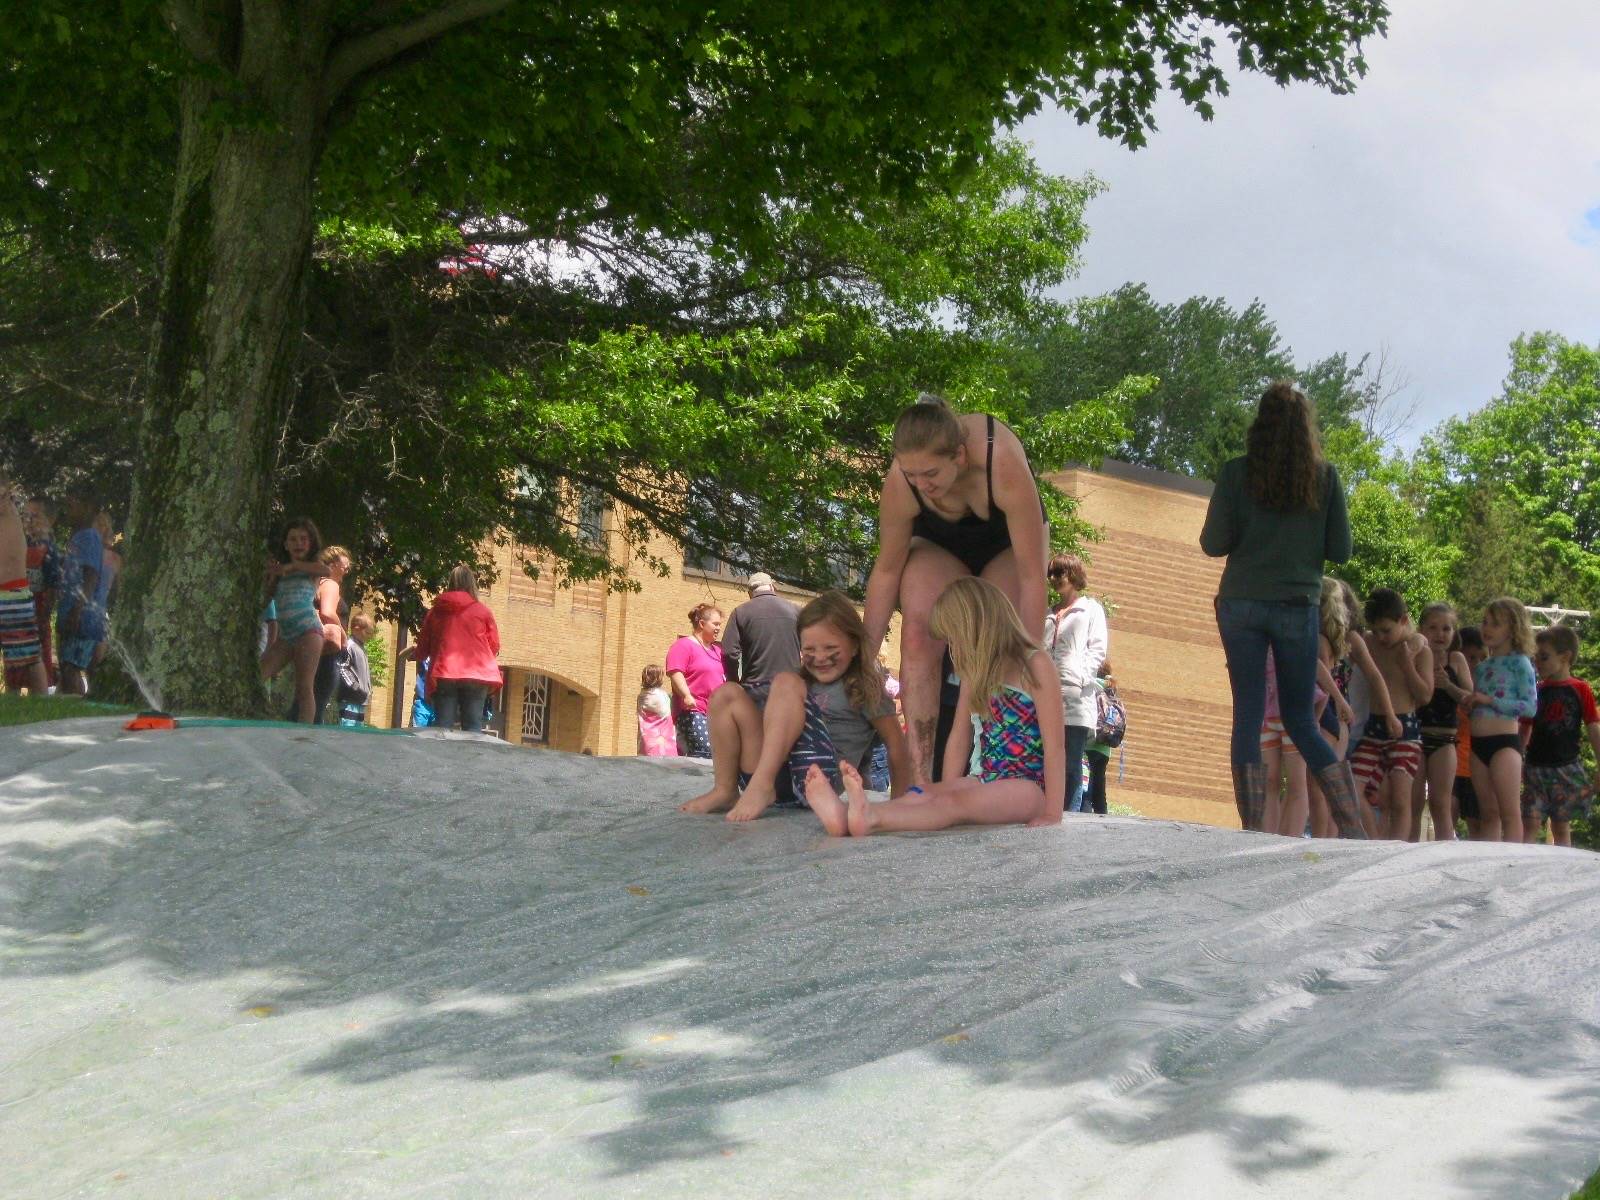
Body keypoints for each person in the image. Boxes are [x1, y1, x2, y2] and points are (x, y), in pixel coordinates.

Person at [1199, 381, 1366, 838]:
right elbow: (1342, 550)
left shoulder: (1237, 474)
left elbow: (1212, 544)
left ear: (1260, 425)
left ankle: (1253, 826)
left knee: (1248, 716)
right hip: (1297, 605)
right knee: (1300, 720)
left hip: (1241, 602)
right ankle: (1352, 828)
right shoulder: (1325, 478)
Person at [861, 394, 1050, 785]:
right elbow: (887, 571)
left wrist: (1032, 656)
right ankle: (918, 780)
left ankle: (999, 771)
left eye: (930, 473)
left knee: (996, 641)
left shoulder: (1000, 460)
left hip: (1007, 549)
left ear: (959, 457)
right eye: (911, 474)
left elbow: (1033, 576)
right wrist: (863, 657)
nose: (921, 485)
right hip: (938, 549)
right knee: (917, 633)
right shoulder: (904, 484)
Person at [805, 576, 1064, 837]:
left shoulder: (1035, 665)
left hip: (1029, 788)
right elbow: (959, 738)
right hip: (986, 779)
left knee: (951, 805)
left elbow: (1055, 747)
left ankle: (870, 817)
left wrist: (1053, 812)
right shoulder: (977, 672)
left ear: (976, 628)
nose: (953, 649)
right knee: (924, 793)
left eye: (955, 639)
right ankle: (845, 816)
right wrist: (946, 789)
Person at [680, 591, 910, 820]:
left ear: (855, 646)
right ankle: (725, 790)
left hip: (818, 784)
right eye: (809, 650)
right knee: (726, 694)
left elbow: (896, 746)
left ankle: (762, 785)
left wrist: (898, 807)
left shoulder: (864, 688)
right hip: (774, 777)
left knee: (786, 682)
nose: (820, 657)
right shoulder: (802, 681)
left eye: (830, 648)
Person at [1349, 588, 1432, 839]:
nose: (1382, 637)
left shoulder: (1417, 650)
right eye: (1377, 631)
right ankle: (1373, 839)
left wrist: (1407, 665)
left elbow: (1425, 695)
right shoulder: (1370, 643)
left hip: (1405, 730)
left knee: (1400, 798)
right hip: (1374, 728)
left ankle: (1396, 846)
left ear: (1403, 621)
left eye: (1387, 630)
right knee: (1353, 786)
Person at [1466, 597, 1538, 843]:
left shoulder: (1521, 663)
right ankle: (1488, 865)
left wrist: (1490, 701)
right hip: (1477, 744)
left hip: (1504, 743)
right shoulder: (1483, 667)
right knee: (1488, 813)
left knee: (1509, 813)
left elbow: (1529, 707)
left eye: (1495, 624)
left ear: (1513, 628)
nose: (1487, 628)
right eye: (1485, 622)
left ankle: (1513, 862)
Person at [1521, 624, 1600, 848]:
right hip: (1535, 765)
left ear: (1565, 657)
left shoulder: (1580, 688)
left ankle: (1562, 869)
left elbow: (1593, 726)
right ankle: (1519, 863)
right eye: (1536, 658)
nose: (1538, 663)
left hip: (1566, 766)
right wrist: (1518, 757)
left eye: (1543, 657)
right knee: (1530, 822)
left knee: (1561, 825)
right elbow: (1525, 727)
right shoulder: (1536, 690)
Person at [1043, 553, 1108, 817]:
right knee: (1048, 760)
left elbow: (1098, 648)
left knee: (1071, 762)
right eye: (1052, 574)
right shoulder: (1048, 612)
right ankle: (1048, 811)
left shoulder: (1090, 608)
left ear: (1073, 575)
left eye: (1060, 573)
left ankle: (1068, 817)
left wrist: (1082, 675)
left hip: (1075, 696)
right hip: (1045, 696)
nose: (1055, 579)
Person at [1409, 603, 1471, 842]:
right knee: (1413, 802)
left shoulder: (1455, 659)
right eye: (1433, 628)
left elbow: (1468, 697)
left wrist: (1448, 685)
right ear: (1421, 629)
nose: (1440, 634)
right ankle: (1409, 850)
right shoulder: (1415, 656)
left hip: (1444, 738)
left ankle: (1443, 850)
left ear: (1454, 633)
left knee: (1440, 803)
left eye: (1446, 629)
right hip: (1415, 734)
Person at [260, 517, 332, 723]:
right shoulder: (282, 571)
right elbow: (267, 597)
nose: (298, 544)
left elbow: (325, 571)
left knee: (303, 687)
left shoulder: (311, 568)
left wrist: (292, 566)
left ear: (311, 543)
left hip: (308, 631)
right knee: (259, 673)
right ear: (285, 544)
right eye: (293, 539)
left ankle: (304, 732)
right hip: (286, 635)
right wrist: (273, 575)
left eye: (303, 539)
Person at [414, 564, 502, 732]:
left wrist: (419, 654)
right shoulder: (482, 612)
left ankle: (442, 758)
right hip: (476, 673)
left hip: (445, 672)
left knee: (443, 726)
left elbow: (424, 644)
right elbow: (494, 645)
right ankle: (469, 758)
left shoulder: (436, 611)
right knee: (473, 725)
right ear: (472, 584)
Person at [4, 495, 59, 694]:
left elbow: (53, 583)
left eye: (34, 516)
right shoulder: (22, 542)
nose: (28, 521)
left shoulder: (48, 547)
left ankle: (41, 695)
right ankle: (13, 694)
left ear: (49, 520)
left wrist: (45, 614)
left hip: (38, 607)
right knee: (13, 656)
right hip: (17, 603)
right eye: (25, 516)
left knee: (36, 655)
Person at [55, 491, 106, 697]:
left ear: (88, 507)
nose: (68, 510)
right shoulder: (77, 537)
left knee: (71, 669)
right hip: (72, 613)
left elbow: (91, 575)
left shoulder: (89, 536)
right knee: (67, 666)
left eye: (72, 505)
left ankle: (74, 709)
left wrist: (77, 610)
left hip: (82, 618)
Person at [665, 602, 726, 758]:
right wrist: (686, 694)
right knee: (705, 752)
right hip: (693, 711)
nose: (719, 628)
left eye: (720, 624)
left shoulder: (717, 651)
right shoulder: (683, 646)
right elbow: (675, 672)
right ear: (701, 623)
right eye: (715, 624)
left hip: (716, 714)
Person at [721, 571, 800, 686]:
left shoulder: (740, 612)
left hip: (754, 689)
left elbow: (729, 652)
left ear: (750, 593)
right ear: (772, 587)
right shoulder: (796, 611)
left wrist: (734, 682)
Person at [309, 544, 351, 724]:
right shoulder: (331, 585)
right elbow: (327, 612)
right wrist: (343, 635)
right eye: (345, 565)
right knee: (320, 699)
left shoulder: (317, 583)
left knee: (308, 695)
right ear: (333, 565)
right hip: (327, 651)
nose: (347, 569)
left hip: (314, 645)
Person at [1453, 627, 1486, 839]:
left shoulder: (1489, 690)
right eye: (1471, 658)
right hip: (1454, 764)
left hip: (1478, 766)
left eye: (1482, 658)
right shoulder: (1447, 687)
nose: (1477, 664)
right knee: (1447, 816)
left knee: (1478, 824)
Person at [335, 613, 374, 726]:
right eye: (367, 633)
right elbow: (343, 668)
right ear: (356, 629)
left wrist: (368, 689)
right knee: (347, 729)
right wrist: (355, 686)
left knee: (357, 733)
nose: (369, 636)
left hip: (360, 701)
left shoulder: (362, 648)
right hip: (349, 699)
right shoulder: (349, 646)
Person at [637, 665, 678, 757]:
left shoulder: (641, 695)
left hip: (646, 738)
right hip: (663, 740)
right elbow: (665, 713)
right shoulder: (661, 695)